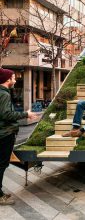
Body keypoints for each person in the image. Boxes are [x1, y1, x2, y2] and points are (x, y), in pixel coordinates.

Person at [0, 68, 39, 205]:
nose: (15, 80)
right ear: (7, 80)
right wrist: (25, 114)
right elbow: (6, 115)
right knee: (1, 164)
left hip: (3, 133)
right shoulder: (4, 94)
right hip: (5, 134)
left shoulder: (2, 93)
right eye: (14, 77)